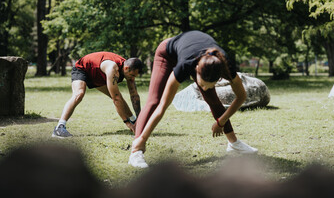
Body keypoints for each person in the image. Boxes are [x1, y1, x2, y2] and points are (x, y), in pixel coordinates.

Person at [128, 30, 258, 168]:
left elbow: (241, 96)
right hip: (167, 53)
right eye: (202, 85)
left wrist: (221, 121)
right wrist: (142, 138)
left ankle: (234, 144)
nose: (205, 88)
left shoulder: (223, 65)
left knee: (213, 99)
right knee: (154, 100)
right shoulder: (184, 66)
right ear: (196, 70)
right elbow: (162, 107)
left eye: (210, 85)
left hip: (198, 55)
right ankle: (136, 152)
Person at [52, 51, 143, 138]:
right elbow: (116, 99)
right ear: (126, 68)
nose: (132, 78)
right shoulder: (113, 69)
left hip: (97, 75)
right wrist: (127, 123)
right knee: (79, 94)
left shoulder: (127, 68)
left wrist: (139, 120)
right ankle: (59, 128)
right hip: (83, 69)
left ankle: (134, 120)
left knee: (118, 96)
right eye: (132, 75)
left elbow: (134, 96)